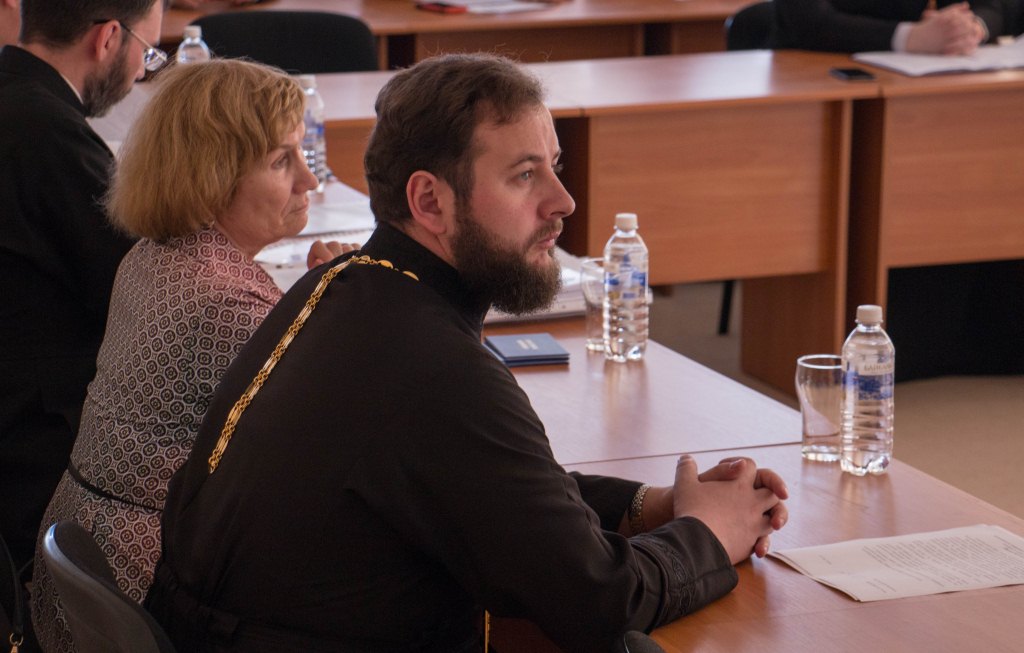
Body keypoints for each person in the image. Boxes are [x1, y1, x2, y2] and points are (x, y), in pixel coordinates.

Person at [145, 53, 789, 653]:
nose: (563, 202)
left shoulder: (343, 287)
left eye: (554, 166)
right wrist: (710, 534)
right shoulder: (432, 367)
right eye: (524, 176)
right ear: (431, 201)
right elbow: (600, 599)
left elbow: (491, 488)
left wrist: (653, 506)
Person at [28, 58, 353, 652]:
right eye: (282, 161)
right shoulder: (224, 300)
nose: (309, 180)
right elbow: (344, 437)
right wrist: (353, 303)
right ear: (213, 177)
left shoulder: (154, 255)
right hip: (156, 582)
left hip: (90, 554)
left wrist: (318, 302)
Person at [0, 0, 164, 583]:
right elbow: (145, 288)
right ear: (108, 38)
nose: (142, 70)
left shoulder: (20, 102)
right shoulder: (46, 131)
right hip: (35, 448)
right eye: (147, 51)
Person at [771, 0, 1016, 53]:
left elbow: (992, 6)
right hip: (809, 64)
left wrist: (969, 28)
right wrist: (910, 37)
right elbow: (809, 21)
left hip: (910, 78)